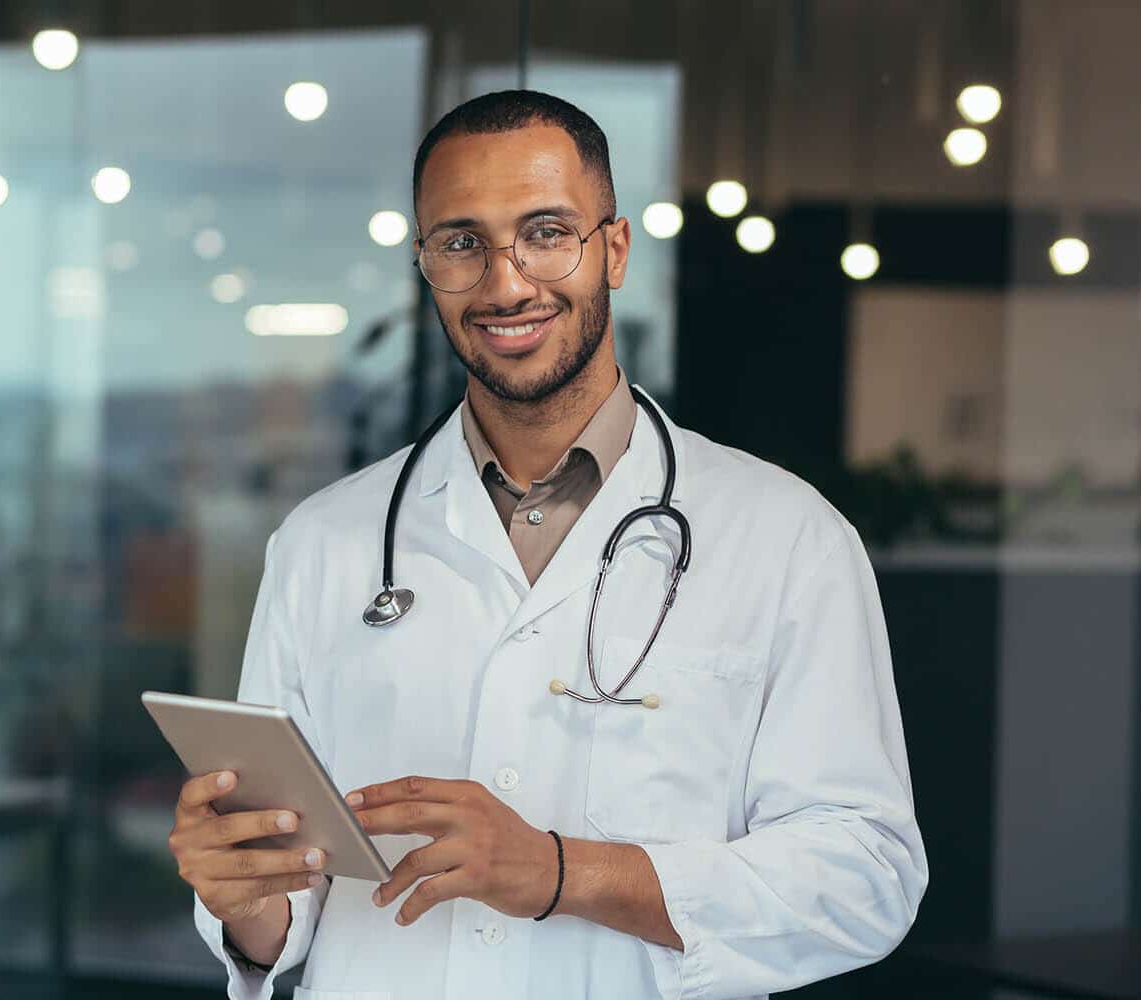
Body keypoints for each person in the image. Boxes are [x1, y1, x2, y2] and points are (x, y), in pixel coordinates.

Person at [168, 90, 927, 1000]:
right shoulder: (324, 543)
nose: (505, 283)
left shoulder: (786, 536)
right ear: (424, 263)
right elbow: (288, 908)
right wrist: (242, 893)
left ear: (612, 248)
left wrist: (562, 872)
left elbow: (866, 880)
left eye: (545, 232)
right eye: (461, 243)